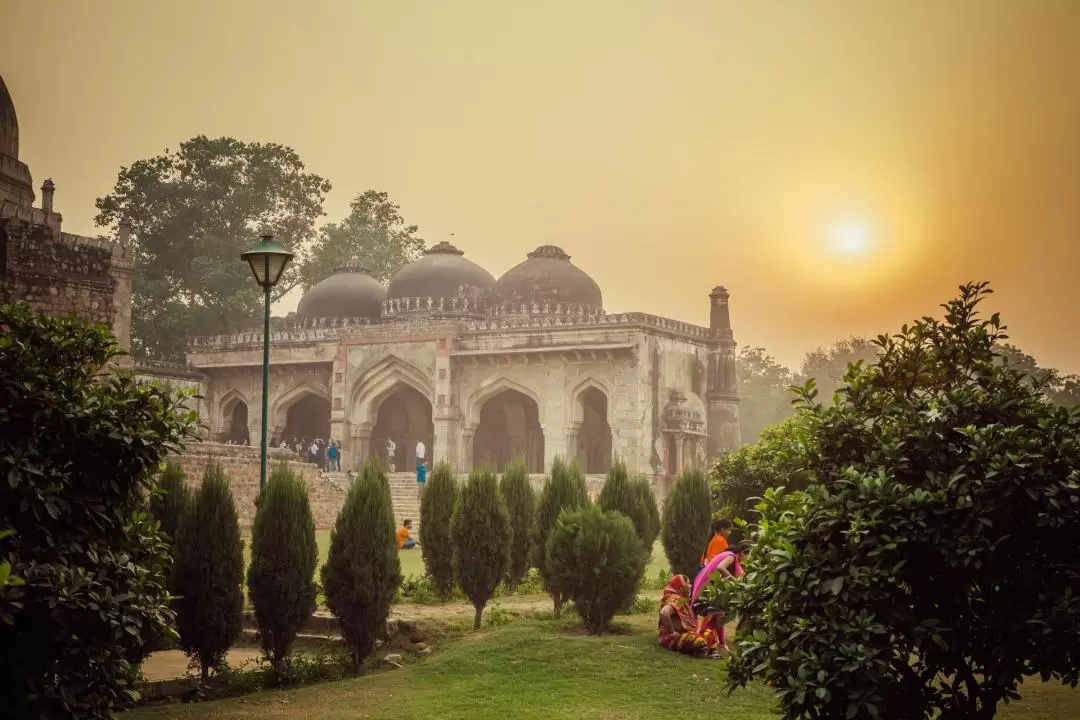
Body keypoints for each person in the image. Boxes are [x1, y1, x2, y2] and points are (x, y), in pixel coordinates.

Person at [692, 541, 750, 652]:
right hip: (707, 587)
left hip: (706, 585)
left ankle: (712, 638)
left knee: (720, 613)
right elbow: (721, 567)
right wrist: (736, 583)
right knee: (721, 613)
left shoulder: (729, 555)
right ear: (742, 552)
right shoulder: (731, 556)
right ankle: (720, 643)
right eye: (748, 555)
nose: (749, 558)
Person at [657, 574, 721, 657]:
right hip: (676, 637)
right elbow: (664, 613)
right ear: (680, 586)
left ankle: (708, 651)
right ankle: (702, 651)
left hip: (688, 633)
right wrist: (672, 633)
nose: (691, 586)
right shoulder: (675, 599)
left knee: (709, 633)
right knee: (697, 640)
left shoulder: (682, 599)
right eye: (688, 583)